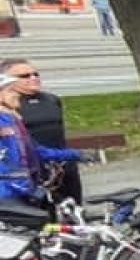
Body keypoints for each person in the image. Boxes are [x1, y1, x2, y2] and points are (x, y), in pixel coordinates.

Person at [0, 73, 90, 208]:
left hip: (24, 188)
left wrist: (76, 154)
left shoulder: (14, 122)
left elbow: (36, 151)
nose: (17, 95)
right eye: (11, 91)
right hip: (7, 191)